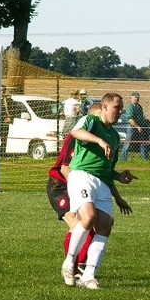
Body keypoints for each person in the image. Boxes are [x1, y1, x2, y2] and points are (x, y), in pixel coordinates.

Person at [61, 93, 136, 289]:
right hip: (81, 175)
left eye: (121, 109)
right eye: (116, 107)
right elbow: (76, 133)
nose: (120, 112)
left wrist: (119, 177)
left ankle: (89, 275)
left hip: (102, 183)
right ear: (104, 107)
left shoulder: (114, 136)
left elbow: (108, 169)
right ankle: (69, 263)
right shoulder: (91, 121)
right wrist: (98, 141)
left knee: (105, 225)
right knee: (89, 217)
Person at [48, 103, 102, 274]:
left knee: (91, 223)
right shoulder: (77, 137)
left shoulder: (96, 137)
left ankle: (80, 265)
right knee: (77, 222)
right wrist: (79, 192)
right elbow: (65, 169)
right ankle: (71, 268)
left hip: (77, 184)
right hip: (60, 185)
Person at [120, 92, 150, 161]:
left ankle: (146, 159)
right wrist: (137, 127)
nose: (137, 99)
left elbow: (142, 118)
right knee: (128, 142)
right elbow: (130, 119)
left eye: (138, 97)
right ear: (131, 98)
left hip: (140, 127)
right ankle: (123, 158)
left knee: (143, 142)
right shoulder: (130, 107)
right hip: (132, 127)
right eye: (135, 97)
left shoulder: (139, 107)